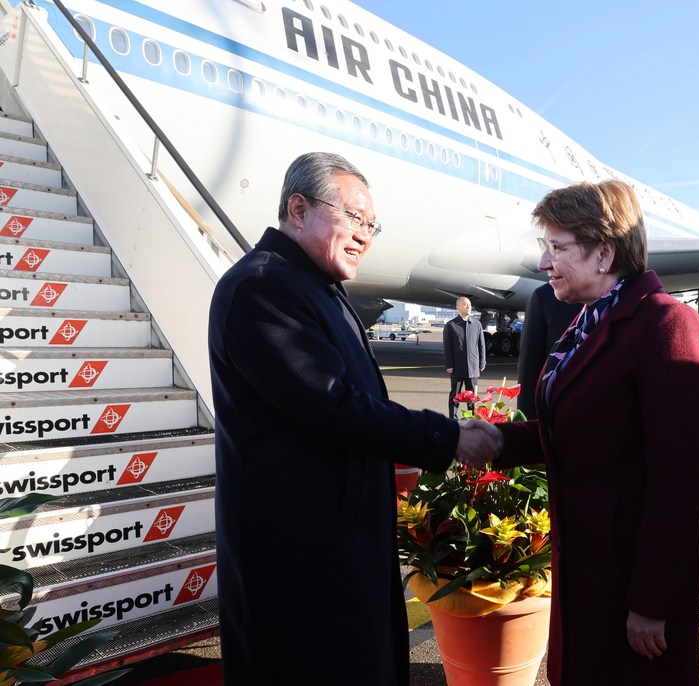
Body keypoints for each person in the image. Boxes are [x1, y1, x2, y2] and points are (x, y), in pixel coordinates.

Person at [207, 152, 497, 685]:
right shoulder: (262, 288)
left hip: (337, 546)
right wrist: (450, 436)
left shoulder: (314, 287)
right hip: (299, 563)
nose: (366, 235)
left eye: (373, 225)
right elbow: (333, 406)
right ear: (298, 209)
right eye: (356, 219)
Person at [479, 180, 699, 684]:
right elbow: (585, 428)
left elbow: (679, 481)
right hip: (585, 569)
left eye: (557, 248)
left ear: (604, 252)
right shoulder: (588, 320)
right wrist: (500, 440)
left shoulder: (666, 325)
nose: (544, 263)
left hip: (628, 583)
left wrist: (652, 600)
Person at [516, 282, 581, 419]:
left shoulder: (632, 295)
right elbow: (530, 368)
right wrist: (528, 427)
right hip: (563, 417)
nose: (543, 265)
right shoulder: (545, 297)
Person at [443, 296, 486, 418]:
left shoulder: (477, 324)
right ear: (458, 307)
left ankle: (471, 418)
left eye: (470, 305)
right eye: (465, 304)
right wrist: (449, 364)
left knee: (471, 396)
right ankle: (453, 419)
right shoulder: (451, 325)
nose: (468, 307)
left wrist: (482, 362)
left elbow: (481, 345)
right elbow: (447, 347)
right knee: (455, 395)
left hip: (473, 367)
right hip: (457, 367)